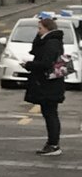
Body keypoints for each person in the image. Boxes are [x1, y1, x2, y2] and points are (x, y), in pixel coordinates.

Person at [23, 14, 65, 156]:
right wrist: (38, 37)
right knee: (49, 113)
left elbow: (46, 63)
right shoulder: (50, 41)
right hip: (48, 85)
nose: (38, 31)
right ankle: (52, 143)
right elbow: (35, 50)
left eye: (40, 28)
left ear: (47, 29)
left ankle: (53, 144)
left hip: (49, 85)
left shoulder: (51, 43)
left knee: (50, 114)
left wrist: (29, 64)